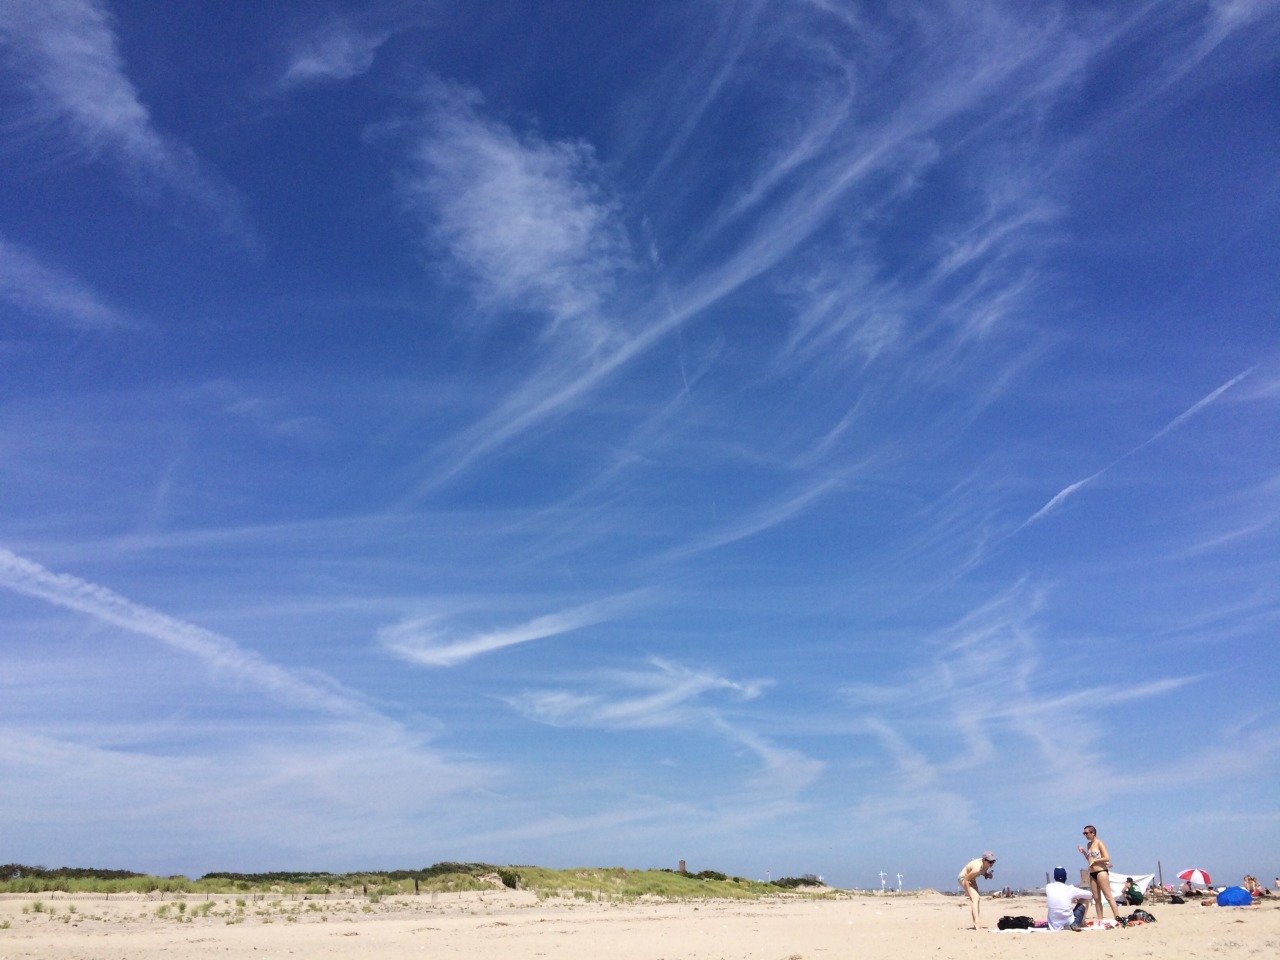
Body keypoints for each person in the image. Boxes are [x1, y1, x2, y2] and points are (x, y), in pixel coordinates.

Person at [1078, 825, 1121, 921]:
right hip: (1092, 873)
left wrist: (1096, 860)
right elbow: (1090, 859)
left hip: (1101, 871)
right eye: (1084, 833)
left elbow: (1106, 857)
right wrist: (1084, 852)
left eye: (1086, 833)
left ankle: (1117, 917)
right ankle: (1100, 918)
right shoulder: (1089, 845)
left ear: (1093, 833)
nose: (1085, 835)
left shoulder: (1099, 843)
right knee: (1096, 898)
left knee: (1108, 896)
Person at [1046, 866, 1093, 931]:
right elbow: (1090, 895)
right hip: (1069, 922)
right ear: (1066, 878)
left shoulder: (1048, 887)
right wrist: (1078, 896)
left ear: (1054, 877)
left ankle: (1066, 925)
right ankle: (1081, 923)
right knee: (1085, 899)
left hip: (1054, 925)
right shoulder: (1070, 889)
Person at [958, 852, 996, 930]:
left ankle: (976, 922)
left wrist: (987, 875)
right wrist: (968, 893)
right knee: (975, 898)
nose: (992, 863)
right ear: (984, 860)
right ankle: (976, 923)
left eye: (993, 861)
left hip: (972, 880)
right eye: (990, 862)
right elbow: (966, 879)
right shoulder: (977, 868)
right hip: (963, 878)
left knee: (977, 899)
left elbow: (982, 871)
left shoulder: (986, 865)